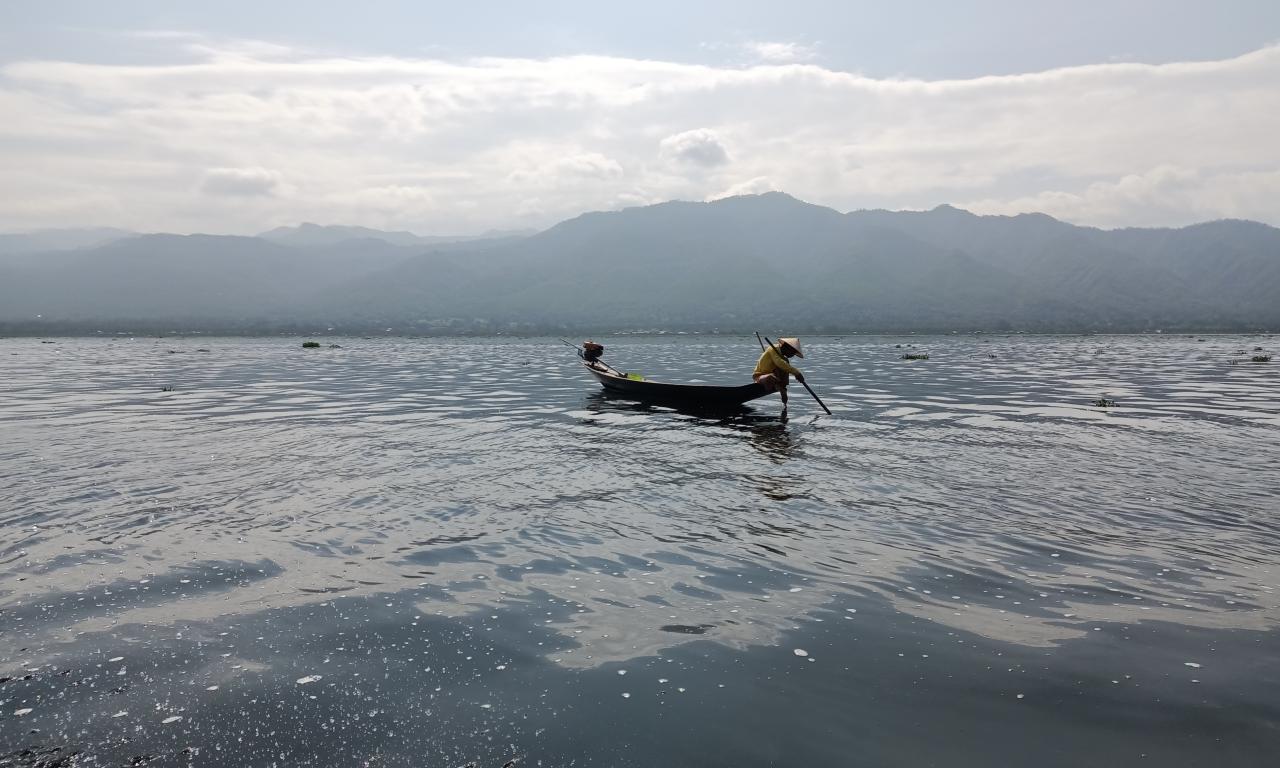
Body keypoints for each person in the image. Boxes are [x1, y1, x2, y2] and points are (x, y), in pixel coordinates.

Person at [753, 337, 805, 409]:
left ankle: (782, 388)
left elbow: (784, 366)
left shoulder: (783, 358)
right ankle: (779, 386)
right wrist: (797, 373)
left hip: (775, 377)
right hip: (760, 377)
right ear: (787, 348)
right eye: (792, 352)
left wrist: (796, 374)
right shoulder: (773, 349)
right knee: (771, 376)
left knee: (786, 363)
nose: (793, 355)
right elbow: (779, 363)